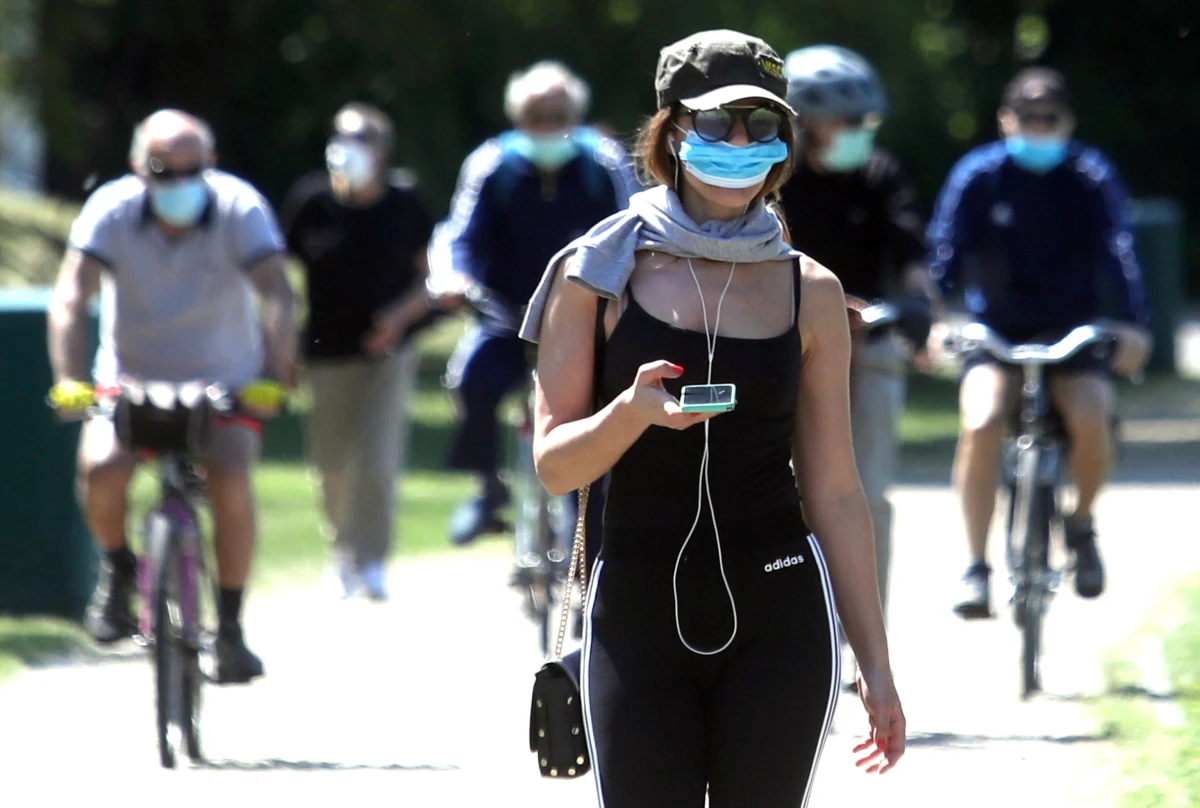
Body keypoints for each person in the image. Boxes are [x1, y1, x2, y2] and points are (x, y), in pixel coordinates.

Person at [520, 29, 905, 806]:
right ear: (671, 133)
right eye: (716, 123)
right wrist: (628, 413)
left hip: (782, 616)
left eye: (761, 126)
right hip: (635, 616)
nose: (739, 141)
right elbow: (556, 465)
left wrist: (877, 666)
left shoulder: (814, 291)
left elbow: (833, 492)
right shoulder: (594, 276)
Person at [46, 109, 295, 683]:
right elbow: (70, 295)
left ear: (210, 166)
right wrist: (67, 378)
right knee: (102, 467)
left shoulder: (240, 208)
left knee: (231, 474)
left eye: (191, 170)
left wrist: (273, 375)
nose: (177, 184)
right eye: (163, 170)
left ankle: (229, 628)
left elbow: (278, 291)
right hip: (129, 377)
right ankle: (118, 570)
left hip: (223, 382)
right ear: (139, 167)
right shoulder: (110, 209)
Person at [928, 67, 1153, 618]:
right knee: (980, 422)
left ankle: (1081, 525)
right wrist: (935, 319)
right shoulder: (979, 176)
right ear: (1005, 119)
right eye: (1026, 117)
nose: (1037, 127)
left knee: (1092, 414)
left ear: (1067, 122)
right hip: (996, 332)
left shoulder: (1089, 177)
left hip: (1071, 333)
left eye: (1049, 119)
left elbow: (1120, 251)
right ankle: (976, 566)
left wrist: (1135, 324)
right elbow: (944, 251)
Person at [427, 59, 640, 548]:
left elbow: (636, 226)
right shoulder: (490, 165)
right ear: (517, 119)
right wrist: (452, 278)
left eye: (558, 116)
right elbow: (459, 235)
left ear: (577, 117)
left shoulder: (605, 163)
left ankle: (591, 540)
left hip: (586, 318)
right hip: (503, 313)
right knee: (471, 380)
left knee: (596, 413)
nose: (547, 128)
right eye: (536, 117)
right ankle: (488, 491)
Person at [779, 44, 935, 627]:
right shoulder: (773, 180)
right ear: (806, 123)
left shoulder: (879, 172)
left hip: (866, 345)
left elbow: (911, 248)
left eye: (867, 122)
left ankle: (863, 632)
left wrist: (919, 301)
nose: (860, 133)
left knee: (865, 495)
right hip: (782, 352)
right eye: (848, 122)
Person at [281, 103, 435, 601]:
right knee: (330, 462)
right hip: (324, 352)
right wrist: (280, 340)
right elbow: (279, 277)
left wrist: (397, 318)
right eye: (343, 136)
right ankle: (341, 548)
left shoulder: (405, 205)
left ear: (383, 151)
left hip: (388, 354)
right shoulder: (311, 203)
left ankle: (371, 559)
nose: (350, 146)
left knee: (377, 457)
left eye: (363, 138)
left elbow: (428, 278)